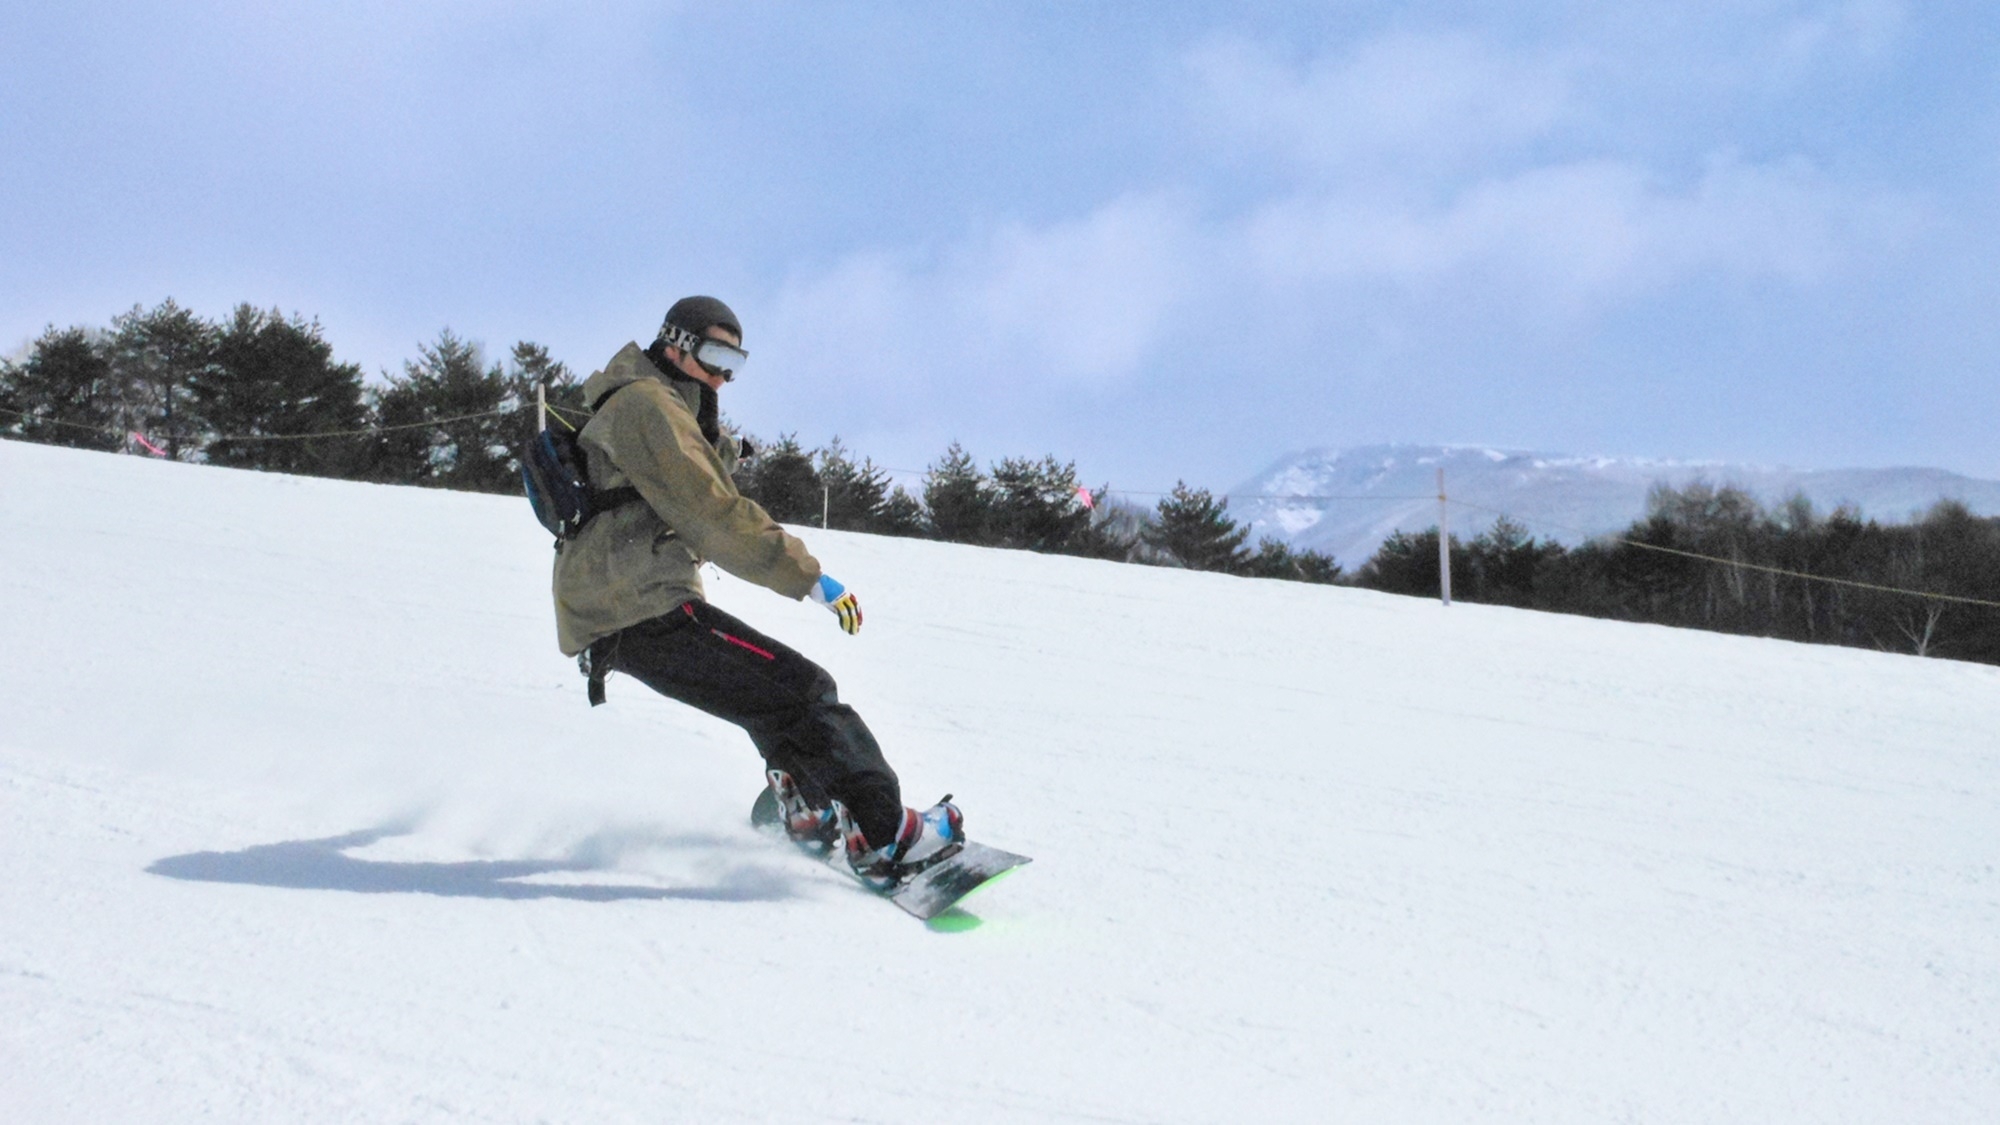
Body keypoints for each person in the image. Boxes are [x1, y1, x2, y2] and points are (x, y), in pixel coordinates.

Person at [550, 296, 960, 884]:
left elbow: (678, 471)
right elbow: (710, 511)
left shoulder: (654, 401)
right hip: (638, 605)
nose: (723, 375)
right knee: (805, 689)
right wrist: (808, 576)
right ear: (675, 343)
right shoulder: (646, 405)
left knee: (769, 697)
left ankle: (807, 808)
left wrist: (718, 445)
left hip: (620, 607)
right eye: (714, 355)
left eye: (734, 362)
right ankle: (887, 835)